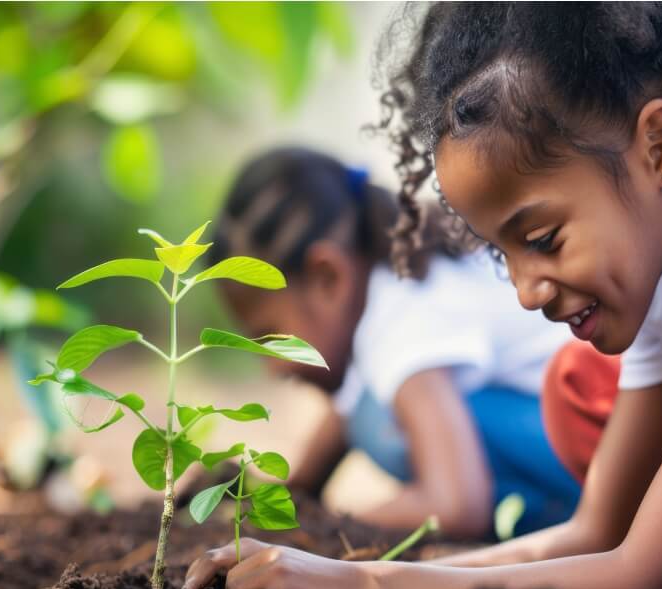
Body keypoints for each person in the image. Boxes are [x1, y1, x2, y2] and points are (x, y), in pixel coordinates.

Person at [175, 3, 662, 589]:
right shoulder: (661, 276)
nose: (526, 291)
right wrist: (350, 573)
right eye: (503, 256)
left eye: (542, 240)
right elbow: (596, 532)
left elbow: (648, 570)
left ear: (658, 146)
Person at [195, 146, 579, 543]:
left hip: (596, 455)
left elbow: (457, 505)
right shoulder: (387, 295)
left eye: (269, 335)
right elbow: (342, 416)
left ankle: (561, 527)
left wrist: (322, 530)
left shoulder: (401, 319)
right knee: (369, 407)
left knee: (380, 421)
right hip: (576, 439)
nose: (273, 366)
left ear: (328, 276)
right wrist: (285, 497)